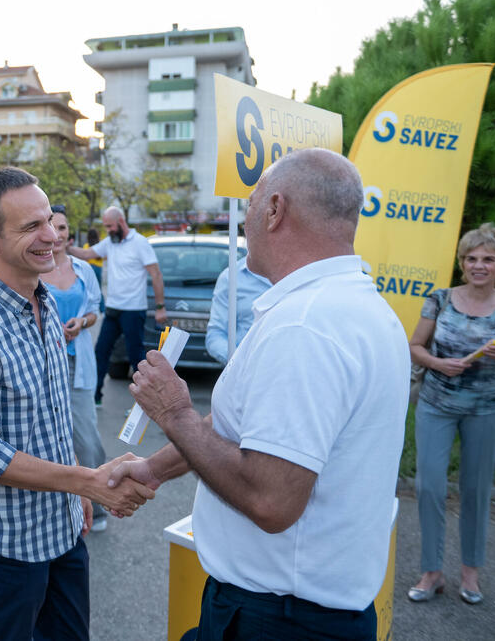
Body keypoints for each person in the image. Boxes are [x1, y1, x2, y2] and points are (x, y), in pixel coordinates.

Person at [108, 148, 410, 639]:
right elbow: (239, 426)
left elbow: (272, 501)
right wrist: (151, 469)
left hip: (279, 618)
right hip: (293, 611)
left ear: (274, 210)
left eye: (250, 205)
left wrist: (174, 413)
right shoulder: (356, 306)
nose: (245, 219)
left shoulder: (305, 326)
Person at [0, 167, 155, 640]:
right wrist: (88, 482)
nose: (50, 237)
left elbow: (55, 416)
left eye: (50, 222)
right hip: (6, 543)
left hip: (60, 528)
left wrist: (77, 492)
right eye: (30, 227)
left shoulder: (50, 303)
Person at [407, 222, 495, 605]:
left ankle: (471, 574)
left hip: (486, 410)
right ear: (462, 263)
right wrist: (439, 363)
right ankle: (431, 572)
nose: (479, 265)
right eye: (472, 258)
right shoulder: (440, 298)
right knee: (428, 486)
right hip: (436, 405)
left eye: (488, 259)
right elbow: (414, 346)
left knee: (476, 491)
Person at [39, 205, 108, 532]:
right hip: (42, 364)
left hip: (78, 362)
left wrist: (82, 321)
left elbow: (94, 311)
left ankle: (98, 504)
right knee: (47, 435)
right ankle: (59, 506)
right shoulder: (33, 270)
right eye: (52, 228)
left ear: (69, 233)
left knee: (85, 435)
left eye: (63, 228)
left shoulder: (84, 270)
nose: (57, 235)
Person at [68, 206, 167, 406]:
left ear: (121, 222)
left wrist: (160, 307)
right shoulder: (110, 243)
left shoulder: (140, 243)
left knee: (136, 357)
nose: (108, 230)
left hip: (133, 310)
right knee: (101, 352)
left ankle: (144, 402)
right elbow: (87, 254)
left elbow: (156, 274)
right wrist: (64, 247)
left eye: (110, 226)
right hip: (113, 309)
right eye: (105, 226)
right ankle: (94, 397)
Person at [204, 255, 271, 363]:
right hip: (247, 372)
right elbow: (216, 333)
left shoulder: (303, 271)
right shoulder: (231, 277)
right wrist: (239, 363)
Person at [84, 228, 106, 313]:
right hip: (98, 269)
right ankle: (102, 309)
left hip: (90, 269)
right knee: (99, 289)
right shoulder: (100, 246)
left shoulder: (86, 246)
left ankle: (89, 309)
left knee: (88, 289)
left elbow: (85, 258)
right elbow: (105, 257)